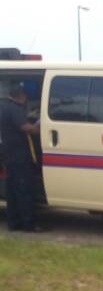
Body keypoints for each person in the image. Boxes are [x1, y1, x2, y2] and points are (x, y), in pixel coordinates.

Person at [0, 83, 41, 232]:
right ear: (21, 96)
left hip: (9, 155)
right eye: (25, 96)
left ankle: (13, 223)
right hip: (19, 156)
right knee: (24, 190)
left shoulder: (5, 107)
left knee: (12, 191)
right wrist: (39, 127)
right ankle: (28, 224)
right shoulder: (15, 109)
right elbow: (25, 127)